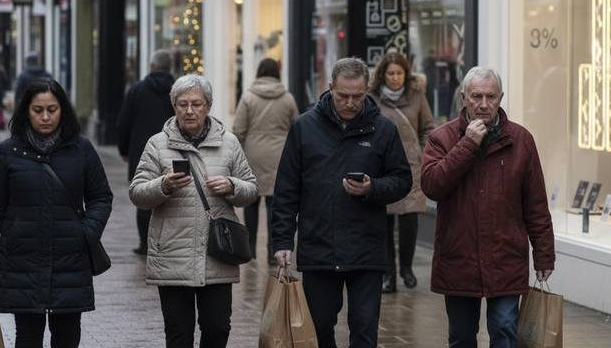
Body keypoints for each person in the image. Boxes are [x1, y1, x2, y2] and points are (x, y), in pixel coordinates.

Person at [271, 57, 412, 348]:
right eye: (343, 96)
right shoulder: (304, 127)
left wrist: (373, 188)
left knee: (364, 331)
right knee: (320, 329)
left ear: (368, 90)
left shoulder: (383, 129)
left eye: (358, 97)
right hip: (319, 248)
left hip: (367, 249)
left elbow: (402, 180)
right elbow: (287, 189)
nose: (350, 103)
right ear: (331, 88)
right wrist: (282, 240)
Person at [0, 78, 114, 348]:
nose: (45, 117)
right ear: (26, 111)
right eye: (38, 110)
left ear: (63, 110)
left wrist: (86, 234)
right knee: (28, 336)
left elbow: (101, 197)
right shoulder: (8, 151)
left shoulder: (81, 149)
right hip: (22, 260)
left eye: (52, 109)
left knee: (68, 335)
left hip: (70, 259)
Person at [420, 66, 555, 348]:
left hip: (506, 257)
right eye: (476, 96)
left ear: (501, 97)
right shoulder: (442, 138)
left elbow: (536, 205)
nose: (483, 105)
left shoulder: (521, 140)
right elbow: (432, 186)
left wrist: (544, 256)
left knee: (505, 334)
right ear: (463, 97)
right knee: (461, 338)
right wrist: (467, 145)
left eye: (491, 96)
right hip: (458, 258)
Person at [129, 74, 258, 348]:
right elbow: (137, 193)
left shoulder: (230, 143)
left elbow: (252, 189)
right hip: (173, 253)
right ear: (174, 106)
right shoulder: (157, 144)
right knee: (178, 334)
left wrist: (232, 186)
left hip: (218, 253)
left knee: (218, 327)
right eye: (183, 104)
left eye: (197, 104)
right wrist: (163, 185)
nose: (190, 111)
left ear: (208, 106)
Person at [368, 52, 435, 293]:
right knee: (384, 223)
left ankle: (406, 267)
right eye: (391, 73)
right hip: (382, 168)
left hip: (412, 166)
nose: (395, 78)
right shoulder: (372, 97)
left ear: (406, 74)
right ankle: (389, 276)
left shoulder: (417, 96)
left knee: (409, 220)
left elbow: (428, 128)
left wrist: (424, 153)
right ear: (382, 75)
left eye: (399, 73)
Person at [232, 58, 298, 265]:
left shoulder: (248, 98)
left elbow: (238, 130)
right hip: (279, 156)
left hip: (253, 155)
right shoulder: (287, 99)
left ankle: (249, 247)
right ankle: (273, 248)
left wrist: (238, 155)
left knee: (251, 200)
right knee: (274, 203)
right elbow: (297, 128)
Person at [117, 49, 176, 255]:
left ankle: (145, 243)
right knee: (172, 196)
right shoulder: (177, 90)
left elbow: (124, 122)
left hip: (141, 151)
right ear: (170, 68)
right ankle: (169, 242)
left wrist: (124, 149)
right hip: (173, 151)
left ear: (151, 67)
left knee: (143, 198)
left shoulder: (136, 90)